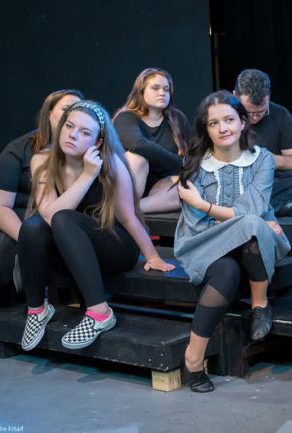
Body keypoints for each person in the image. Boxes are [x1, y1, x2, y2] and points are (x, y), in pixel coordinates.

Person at [18, 101, 174, 352]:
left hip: (115, 245)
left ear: (98, 142)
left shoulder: (111, 165)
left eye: (85, 132)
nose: (72, 135)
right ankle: (37, 309)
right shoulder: (42, 161)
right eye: (69, 126)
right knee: (33, 226)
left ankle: (100, 312)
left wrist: (152, 255)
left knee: (63, 218)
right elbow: (48, 215)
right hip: (73, 246)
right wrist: (86, 176)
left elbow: (128, 218)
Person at [174, 90, 291, 392]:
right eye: (214, 123)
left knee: (252, 223)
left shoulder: (261, 159)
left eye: (229, 120)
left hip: (254, 241)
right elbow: (198, 225)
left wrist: (208, 207)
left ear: (242, 122)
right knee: (228, 267)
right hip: (204, 243)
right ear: (206, 129)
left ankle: (259, 305)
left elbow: (252, 208)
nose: (222, 128)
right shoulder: (195, 164)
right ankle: (194, 358)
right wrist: (218, 214)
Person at [0, 89, 83, 355]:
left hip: (60, 220)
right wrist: (28, 241)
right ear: (49, 114)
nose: (71, 115)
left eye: (78, 110)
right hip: (17, 216)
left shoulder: (85, 149)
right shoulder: (20, 149)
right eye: (65, 109)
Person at [234, 69, 292, 216]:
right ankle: (281, 209)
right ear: (235, 96)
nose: (254, 117)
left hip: (268, 182)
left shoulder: (280, 114)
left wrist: (270, 159)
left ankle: (249, 209)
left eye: (261, 111)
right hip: (234, 180)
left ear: (268, 97)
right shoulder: (225, 114)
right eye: (248, 112)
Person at [114, 68, 190, 213]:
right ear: (141, 91)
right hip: (131, 183)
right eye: (155, 88)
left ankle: (130, 211)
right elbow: (138, 144)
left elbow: (189, 154)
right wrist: (181, 164)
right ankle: (124, 209)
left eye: (166, 89)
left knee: (189, 185)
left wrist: (186, 168)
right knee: (137, 159)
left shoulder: (177, 119)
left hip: (161, 188)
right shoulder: (126, 117)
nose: (162, 93)